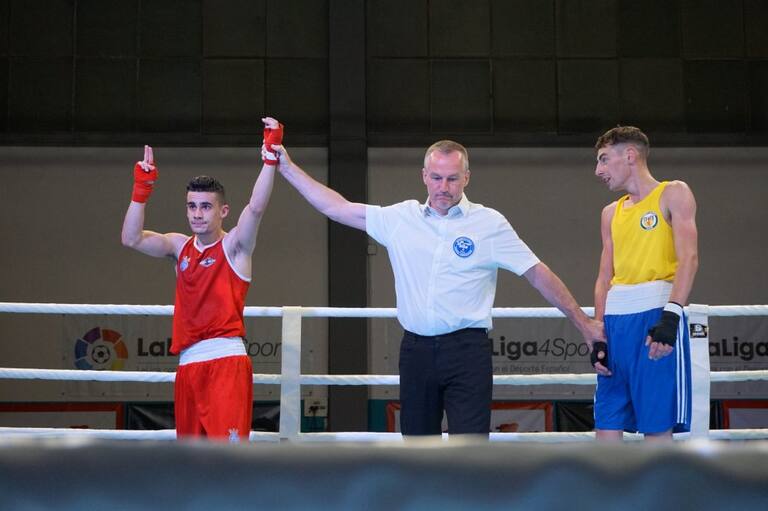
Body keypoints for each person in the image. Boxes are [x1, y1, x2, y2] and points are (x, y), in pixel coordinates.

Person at [266, 125, 605, 437]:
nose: (444, 187)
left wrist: (584, 324)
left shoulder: (489, 223)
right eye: (437, 178)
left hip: (467, 351)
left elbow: (537, 273)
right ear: (424, 176)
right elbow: (337, 208)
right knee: (417, 447)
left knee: (469, 447)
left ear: (467, 178)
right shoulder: (400, 218)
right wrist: (287, 167)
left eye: (453, 179)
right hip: (415, 351)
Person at [121, 118, 282, 441]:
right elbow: (131, 238)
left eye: (206, 207)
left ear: (223, 211)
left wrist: (269, 158)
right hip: (188, 364)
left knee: (228, 457)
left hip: (226, 361)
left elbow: (255, 209)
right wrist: (141, 191)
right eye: (192, 206)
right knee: (192, 459)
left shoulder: (235, 247)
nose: (197, 213)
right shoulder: (178, 247)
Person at [593, 125, 698, 441]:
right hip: (615, 324)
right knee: (606, 425)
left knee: (656, 428)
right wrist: (599, 333)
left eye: (603, 159)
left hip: (656, 319)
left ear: (629, 155)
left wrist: (671, 317)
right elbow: (604, 278)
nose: (598, 171)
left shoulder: (673, 193)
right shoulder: (610, 213)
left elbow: (689, 259)